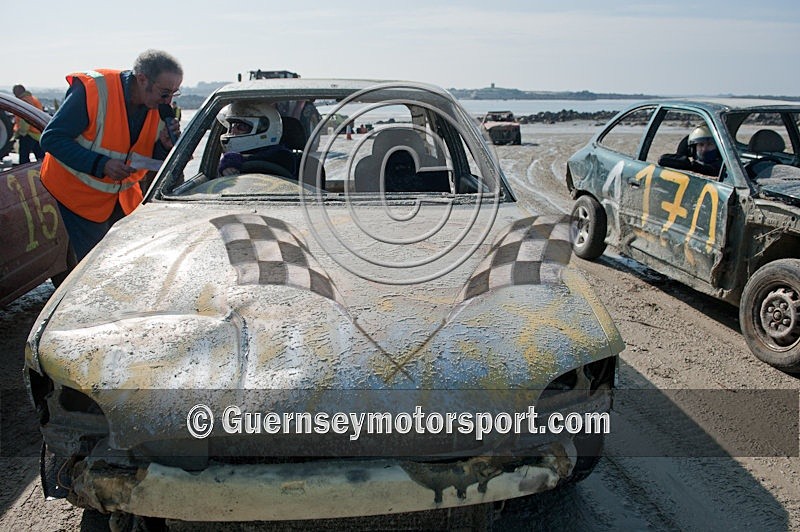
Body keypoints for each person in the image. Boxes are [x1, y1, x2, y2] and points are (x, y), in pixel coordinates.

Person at [40, 49, 183, 261]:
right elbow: (51, 139)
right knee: (96, 266)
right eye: (164, 93)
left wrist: (164, 147)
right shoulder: (94, 90)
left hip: (121, 196)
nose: (168, 100)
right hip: (78, 193)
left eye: (174, 93)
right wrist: (102, 164)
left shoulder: (157, 106)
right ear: (142, 79)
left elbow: (143, 154)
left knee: (126, 259)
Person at [216, 101, 294, 177]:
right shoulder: (231, 158)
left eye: (241, 127)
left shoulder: (283, 157)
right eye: (232, 126)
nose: (233, 131)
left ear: (264, 129)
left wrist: (236, 161)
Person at [658, 124, 723, 178]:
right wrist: (685, 163)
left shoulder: (725, 167)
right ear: (693, 149)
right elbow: (662, 159)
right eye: (701, 144)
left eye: (709, 144)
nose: (704, 149)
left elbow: (713, 170)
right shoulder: (688, 164)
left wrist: (692, 166)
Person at [12, 84, 46, 163]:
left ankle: (24, 175)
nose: (14, 95)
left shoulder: (24, 101)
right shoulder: (33, 99)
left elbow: (25, 119)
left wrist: (21, 132)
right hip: (36, 132)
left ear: (19, 92)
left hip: (28, 133)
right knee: (40, 156)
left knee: (24, 158)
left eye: (15, 92)